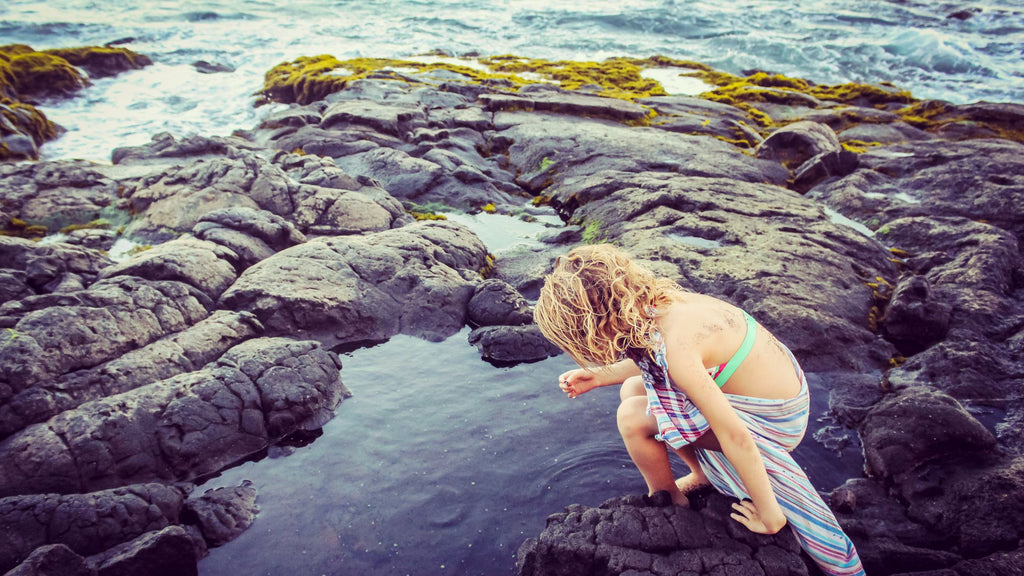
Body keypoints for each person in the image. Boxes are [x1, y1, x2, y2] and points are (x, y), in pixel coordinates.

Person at [533, 243, 865, 576]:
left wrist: (770, 513)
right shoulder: (664, 305)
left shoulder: (678, 347)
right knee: (633, 388)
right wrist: (598, 377)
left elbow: (734, 435)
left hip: (776, 421)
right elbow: (652, 358)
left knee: (633, 418)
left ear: (597, 325)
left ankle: (666, 499)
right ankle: (703, 474)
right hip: (788, 394)